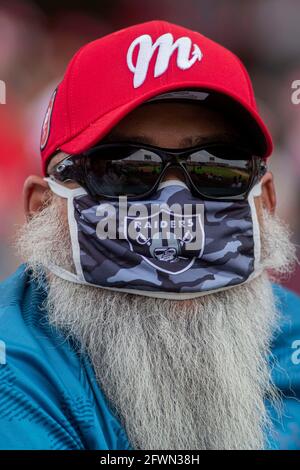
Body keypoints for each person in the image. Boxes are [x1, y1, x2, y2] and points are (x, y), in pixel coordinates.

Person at [0, 20, 300, 450]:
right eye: (124, 169)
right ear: (42, 208)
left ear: (265, 203)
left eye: (216, 167)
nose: (173, 207)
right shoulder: (14, 372)